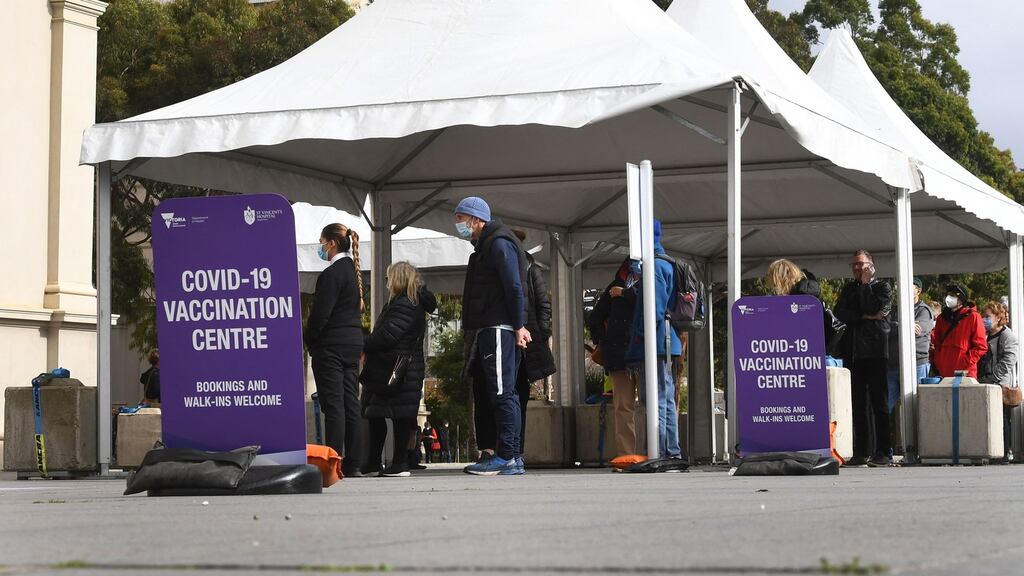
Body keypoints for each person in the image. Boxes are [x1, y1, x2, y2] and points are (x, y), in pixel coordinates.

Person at [455, 196, 531, 476]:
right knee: (501, 392)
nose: (458, 224)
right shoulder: (488, 246)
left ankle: (509, 457)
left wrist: (518, 324)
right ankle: (508, 456)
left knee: (502, 392)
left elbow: (514, 286)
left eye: (461, 219)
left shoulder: (498, 244)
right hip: (494, 325)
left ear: (477, 220)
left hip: (498, 326)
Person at [360, 261, 437, 477]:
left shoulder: (407, 303)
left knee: (399, 417)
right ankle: (376, 462)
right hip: (397, 367)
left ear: (398, 279)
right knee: (378, 415)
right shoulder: (406, 301)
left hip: (398, 368)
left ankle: (399, 464)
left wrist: (363, 342)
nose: (387, 282)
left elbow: (388, 335)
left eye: (388, 277)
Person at [304, 223, 365, 477]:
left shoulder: (331, 274)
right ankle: (354, 463)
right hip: (352, 343)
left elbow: (320, 315)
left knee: (334, 406)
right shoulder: (354, 272)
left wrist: (310, 339)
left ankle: (333, 463)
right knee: (351, 403)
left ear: (331, 243)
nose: (320, 247)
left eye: (321, 242)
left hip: (332, 345)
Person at [624, 220, 683, 460]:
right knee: (665, 396)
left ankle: (661, 451)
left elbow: (655, 309)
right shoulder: (664, 263)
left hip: (658, 342)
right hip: (667, 341)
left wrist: (639, 334)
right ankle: (670, 450)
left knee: (657, 397)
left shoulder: (656, 267)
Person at [834, 250, 893, 467]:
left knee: (879, 403)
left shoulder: (882, 287)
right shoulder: (849, 288)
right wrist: (863, 316)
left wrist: (866, 285)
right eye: (854, 265)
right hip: (853, 352)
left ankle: (884, 451)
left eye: (861, 264)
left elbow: (874, 308)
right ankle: (862, 451)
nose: (857, 269)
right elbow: (840, 313)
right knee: (858, 404)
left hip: (875, 351)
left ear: (871, 265)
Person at [509, 229, 556, 464]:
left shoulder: (530, 268)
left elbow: (543, 305)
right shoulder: (506, 267)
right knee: (509, 397)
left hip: (527, 343)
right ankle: (509, 450)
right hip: (509, 341)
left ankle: (516, 450)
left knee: (519, 396)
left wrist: (540, 335)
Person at [589, 258, 640, 457]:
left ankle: (654, 453)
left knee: (650, 405)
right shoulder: (614, 286)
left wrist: (625, 294)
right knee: (623, 407)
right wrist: (603, 341)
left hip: (644, 354)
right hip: (620, 355)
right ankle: (627, 455)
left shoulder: (650, 281)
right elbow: (595, 317)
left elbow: (653, 306)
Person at [763, 259, 844, 357]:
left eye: (775, 283)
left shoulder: (801, 297)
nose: (775, 289)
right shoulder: (807, 292)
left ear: (783, 278)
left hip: (808, 351)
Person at [978, 301, 1018, 462]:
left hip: (1000, 384)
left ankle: (1004, 451)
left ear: (998, 317)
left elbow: (1009, 361)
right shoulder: (985, 334)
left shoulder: (1008, 336)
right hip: (985, 382)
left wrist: (993, 377)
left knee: (1001, 419)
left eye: (988, 316)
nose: (984, 319)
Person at [931, 283, 987, 378]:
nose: (948, 298)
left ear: (961, 299)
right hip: (944, 372)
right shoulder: (941, 318)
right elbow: (937, 344)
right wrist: (939, 361)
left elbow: (981, 347)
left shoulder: (973, 317)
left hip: (965, 373)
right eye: (948, 295)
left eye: (952, 295)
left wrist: (964, 362)